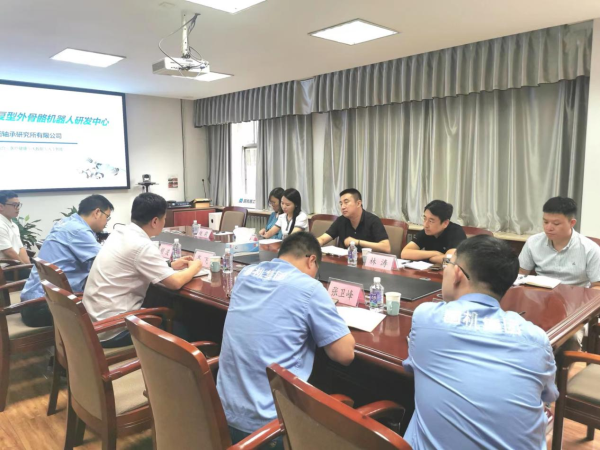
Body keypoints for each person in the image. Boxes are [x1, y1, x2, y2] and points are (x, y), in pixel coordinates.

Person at [403, 235, 558, 449]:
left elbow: (412, 365)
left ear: (457, 274)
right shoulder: (537, 338)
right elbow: (548, 395)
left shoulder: (427, 317)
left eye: (448, 264)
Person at [216, 232, 355, 447]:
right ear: (312, 260)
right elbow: (345, 354)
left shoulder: (245, 273)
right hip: (271, 429)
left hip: (222, 415)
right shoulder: (309, 287)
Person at [82, 193, 202, 348]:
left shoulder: (120, 233)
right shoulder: (142, 245)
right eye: (164, 219)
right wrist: (195, 267)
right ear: (155, 221)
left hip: (94, 320)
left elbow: (133, 263)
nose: (164, 222)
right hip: (113, 330)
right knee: (184, 330)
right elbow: (175, 283)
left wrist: (170, 265)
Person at [20, 195, 114, 327]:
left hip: (32, 302)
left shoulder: (67, 222)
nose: (107, 222)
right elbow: (109, 261)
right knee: (112, 310)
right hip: (43, 307)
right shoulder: (78, 231)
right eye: (107, 217)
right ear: (97, 212)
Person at [519, 197, 600, 289]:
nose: (548, 228)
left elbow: (597, 286)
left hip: (574, 295)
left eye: (556, 223)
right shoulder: (533, 242)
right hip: (540, 293)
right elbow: (520, 274)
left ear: (572, 223)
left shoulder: (590, 250)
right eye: (545, 222)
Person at [317, 188, 391, 253]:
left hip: (369, 262)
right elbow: (323, 239)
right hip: (347, 261)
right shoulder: (341, 220)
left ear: (358, 203)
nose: (342, 207)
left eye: (346, 202)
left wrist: (357, 242)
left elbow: (386, 247)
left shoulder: (373, 220)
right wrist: (313, 244)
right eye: (341, 203)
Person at [401, 200, 466, 264]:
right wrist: (435, 253)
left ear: (445, 223)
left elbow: (450, 260)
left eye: (431, 221)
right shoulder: (427, 231)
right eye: (425, 218)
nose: (425, 225)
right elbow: (404, 253)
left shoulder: (456, 232)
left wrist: (430, 258)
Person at [0, 190, 29, 265]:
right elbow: (9, 252)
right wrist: (24, 266)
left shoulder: (13, 225)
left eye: (18, 205)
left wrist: (29, 266)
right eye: (14, 205)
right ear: (1, 207)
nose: (17, 208)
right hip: (5, 268)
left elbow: (21, 248)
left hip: (16, 265)